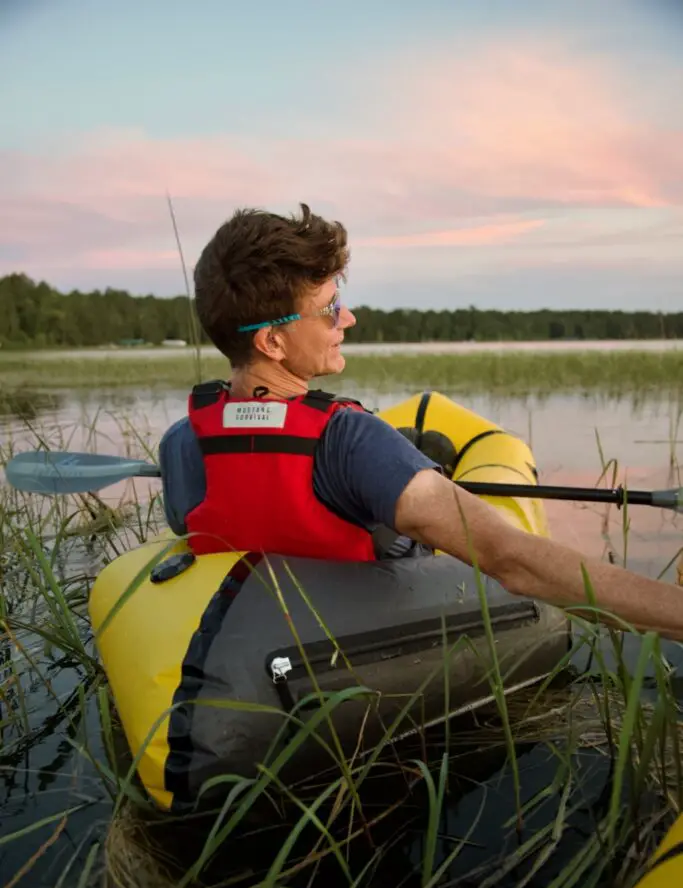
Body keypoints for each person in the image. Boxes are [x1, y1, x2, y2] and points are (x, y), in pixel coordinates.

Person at [159, 203, 683, 642]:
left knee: (416, 445)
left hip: (259, 637)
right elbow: (512, 561)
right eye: (328, 308)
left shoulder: (183, 441)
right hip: (367, 628)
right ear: (271, 341)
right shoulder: (351, 440)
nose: (347, 319)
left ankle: (421, 453)